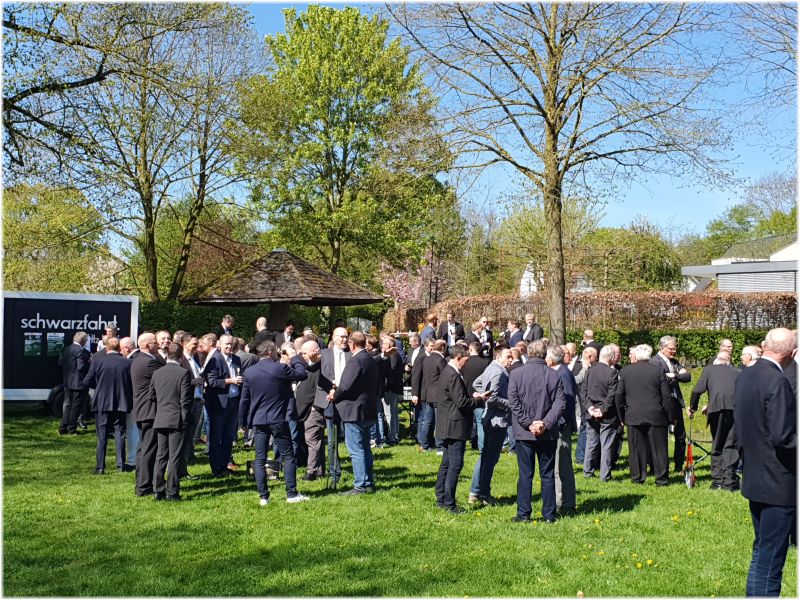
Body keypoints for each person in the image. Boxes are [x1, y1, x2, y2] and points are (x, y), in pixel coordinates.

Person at [734, 328, 796, 597]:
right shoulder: (777, 381)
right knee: (770, 561)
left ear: (763, 345)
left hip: (755, 475)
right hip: (777, 482)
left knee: (762, 552)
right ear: (792, 353)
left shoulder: (746, 374)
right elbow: (784, 437)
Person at [244, 340, 309, 505]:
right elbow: (302, 373)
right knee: (288, 456)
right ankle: (291, 493)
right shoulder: (279, 368)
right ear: (270, 352)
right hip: (278, 418)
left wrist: (243, 421)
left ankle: (263, 497)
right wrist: (293, 356)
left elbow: (245, 399)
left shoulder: (249, 372)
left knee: (260, 458)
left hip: (259, 420)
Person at [508, 340, 565, 523]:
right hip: (543, 432)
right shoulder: (554, 374)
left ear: (528, 353)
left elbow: (513, 403)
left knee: (525, 474)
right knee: (547, 474)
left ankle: (523, 513)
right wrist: (542, 424)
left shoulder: (516, 374)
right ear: (544, 354)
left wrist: (536, 424)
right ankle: (549, 514)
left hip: (527, 432)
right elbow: (560, 403)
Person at [328, 331, 378, 495]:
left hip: (354, 411)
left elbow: (345, 386)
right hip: (368, 409)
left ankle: (360, 485)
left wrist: (334, 395)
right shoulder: (370, 359)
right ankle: (368, 482)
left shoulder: (355, 360)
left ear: (353, 344)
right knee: (365, 448)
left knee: (356, 449)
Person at [617, 344, 672, 486]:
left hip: (633, 414)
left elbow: (619, 395)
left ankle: (637, 477)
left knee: (636, 448)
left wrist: (622, 415)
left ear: (636, 355)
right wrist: (669, 415)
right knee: (659, 448)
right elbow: (666, 395)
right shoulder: (658, 370)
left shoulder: (626, 371)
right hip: (655, 413)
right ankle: (661, 478)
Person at [434, 345, 481, 514]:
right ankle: (449, 503)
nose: (467, 364)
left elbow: (456, 399)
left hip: (447, 424)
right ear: (458, 357)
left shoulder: (448, 372)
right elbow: (461, 403)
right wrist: (479, 400)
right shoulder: (453, 374)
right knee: (455, 465)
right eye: (466, 360)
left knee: (447, 463)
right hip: (455, 426)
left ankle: (441, 498)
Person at [689, 351, 741, 491]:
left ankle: (717, 481)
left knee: (717, 444)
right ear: (729, 361)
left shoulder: (709, 370)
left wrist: (693, 408)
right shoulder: (737, 371)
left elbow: (697, 391)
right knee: (731, 445)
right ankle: (729, 481)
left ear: (716, 361)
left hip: (716, 409)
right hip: (735, 410)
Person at [468, 346, 513, 506]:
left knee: (485, 456)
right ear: (498, 357)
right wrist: (511, 403)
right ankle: (483, 493)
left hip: (490, 418)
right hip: (496, 420)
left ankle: (476, 492)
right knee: (490, 458)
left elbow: (476, 383)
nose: (511, 359)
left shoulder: (491, 368)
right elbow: (493, 398)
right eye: (508, 356)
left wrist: (483, 393)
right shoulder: (498, 372)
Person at [82, 337, 133, 474]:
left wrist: (98, 385)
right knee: (120, 433)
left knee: (102, 435)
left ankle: (100, 467)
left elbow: (86, 381)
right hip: (121, 402)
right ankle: (121, 465)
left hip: (102, 402)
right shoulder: (128, 362)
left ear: (106, 348)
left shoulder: (98, 361)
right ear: (119, 348)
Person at [150, 342, 193, 501]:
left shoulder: (157, 373)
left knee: (161, 455)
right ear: (181, 357)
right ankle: (172, 491)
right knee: (174, 456)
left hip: (161, 417)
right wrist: (185, 420)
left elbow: (152, 395)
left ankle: (158, 490)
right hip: (177, 419)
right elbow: (185, 400)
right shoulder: (183, 373)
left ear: (167, 355)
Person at [202, 333, 242, 477]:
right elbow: (212, 382)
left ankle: (225, 465)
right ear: (219, 344)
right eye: (227, 344)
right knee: (216, 437)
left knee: (229, 436)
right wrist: (230, 381)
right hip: (219, 403)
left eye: (231, 344)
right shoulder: (215, 359)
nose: (229, 346)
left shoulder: (236, 359)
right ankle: (216, 468)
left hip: (233, 402)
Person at [650, 335, 691, 473]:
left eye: (675, 348)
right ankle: (659, 466)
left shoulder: (674, 361)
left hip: (676, 402)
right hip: (662, 403)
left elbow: (687, 377)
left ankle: (679, 466)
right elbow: (661, 380)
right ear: (662, 348)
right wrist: (674, 376)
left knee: (681, 435)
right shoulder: (654, 362)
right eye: (671, 349)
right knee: (661, 436)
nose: (674, 351)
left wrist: (675, 375)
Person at [315, 327, 351, 487]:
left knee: (350, 437)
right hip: (329, 400)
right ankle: (334, 472)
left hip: (348, 400)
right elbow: (316, 374)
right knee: (331, 439)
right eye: (342, 337)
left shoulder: (351, 354)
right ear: (334, 337)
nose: (345, 339)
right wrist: (330, 388)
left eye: (346, 336)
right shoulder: (324, 354)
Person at [130, 332, 164, 497]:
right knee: (149, 449)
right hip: (150, 411)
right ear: (147, 345)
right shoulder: (150, 362)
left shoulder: (138, 359)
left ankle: (141, 483)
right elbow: (166, 374)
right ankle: (144, 486)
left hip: (142, 410)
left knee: (143, 448)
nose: (158, 345)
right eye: (155, 342)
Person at [581, 345, 621, 482]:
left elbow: (583, 392)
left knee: (591, 443)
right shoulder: (612, 373)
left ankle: (588, 471)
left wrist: (589, 407)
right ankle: (605, 475)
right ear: (611, 358)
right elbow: (612, 395)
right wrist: (602, 409)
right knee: (607, 445)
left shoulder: (589, 371)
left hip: (592, 412)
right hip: (607, 414)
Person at [550, 345, 577, 513]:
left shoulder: (562, 374)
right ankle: (560, 501)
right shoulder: (560, 372)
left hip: (562, 426)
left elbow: (566, 401)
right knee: (558, 466)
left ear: (551, 359)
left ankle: (566, 503)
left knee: (563, 466)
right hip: (559, 424)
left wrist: (558, 422)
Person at [296, 340, 324, 480]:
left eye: (304, 353)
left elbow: (319, 382)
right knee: (315, 440)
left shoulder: (321, 366)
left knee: (312, 440)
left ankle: (311, 471)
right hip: (305, 409)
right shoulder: (308, 365)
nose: (302, 355)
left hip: (313, 409)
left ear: (314, 352)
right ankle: (318, 470)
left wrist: (315, 406)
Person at [177, 335, 204, 478]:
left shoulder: (195, 358)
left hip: (197, 401)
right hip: (188, 402)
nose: (196, 347)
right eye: (194, 344)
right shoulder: (180, 360)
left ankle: (183, 469)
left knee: (189, 438)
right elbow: (178, 379)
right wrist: (193, 382)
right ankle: (179, 470)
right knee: (183, 437)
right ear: (185, 344)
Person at [58, 331, 91, 436]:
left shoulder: (65, 349)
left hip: (67, 381)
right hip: (78, 383)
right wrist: (90, 363)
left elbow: (60, 363)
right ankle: (71, 429)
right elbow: (81, 367)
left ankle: (63, 427)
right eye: (86, 340)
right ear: (83, 341)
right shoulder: (81, 351)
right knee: (76, 407)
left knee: (67, 405)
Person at [419, 339, 447, 454]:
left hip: (429, 393)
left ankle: (424, 444)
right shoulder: (440, 360)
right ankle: (440, 447)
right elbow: (445, 377)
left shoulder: (427, 359)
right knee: (439, 421)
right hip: (439, 394)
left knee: (428, 420)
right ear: (443, 348)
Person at [574, 346, 597, 464]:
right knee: (584, 430)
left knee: (584, 430)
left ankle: (581, 456)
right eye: (595, 356)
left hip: (584, 402)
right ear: (589, 356)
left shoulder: (583, 366)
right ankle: (582, 457)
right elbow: (577, 381)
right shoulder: (581, 367)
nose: (597, 358)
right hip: (584, 402)